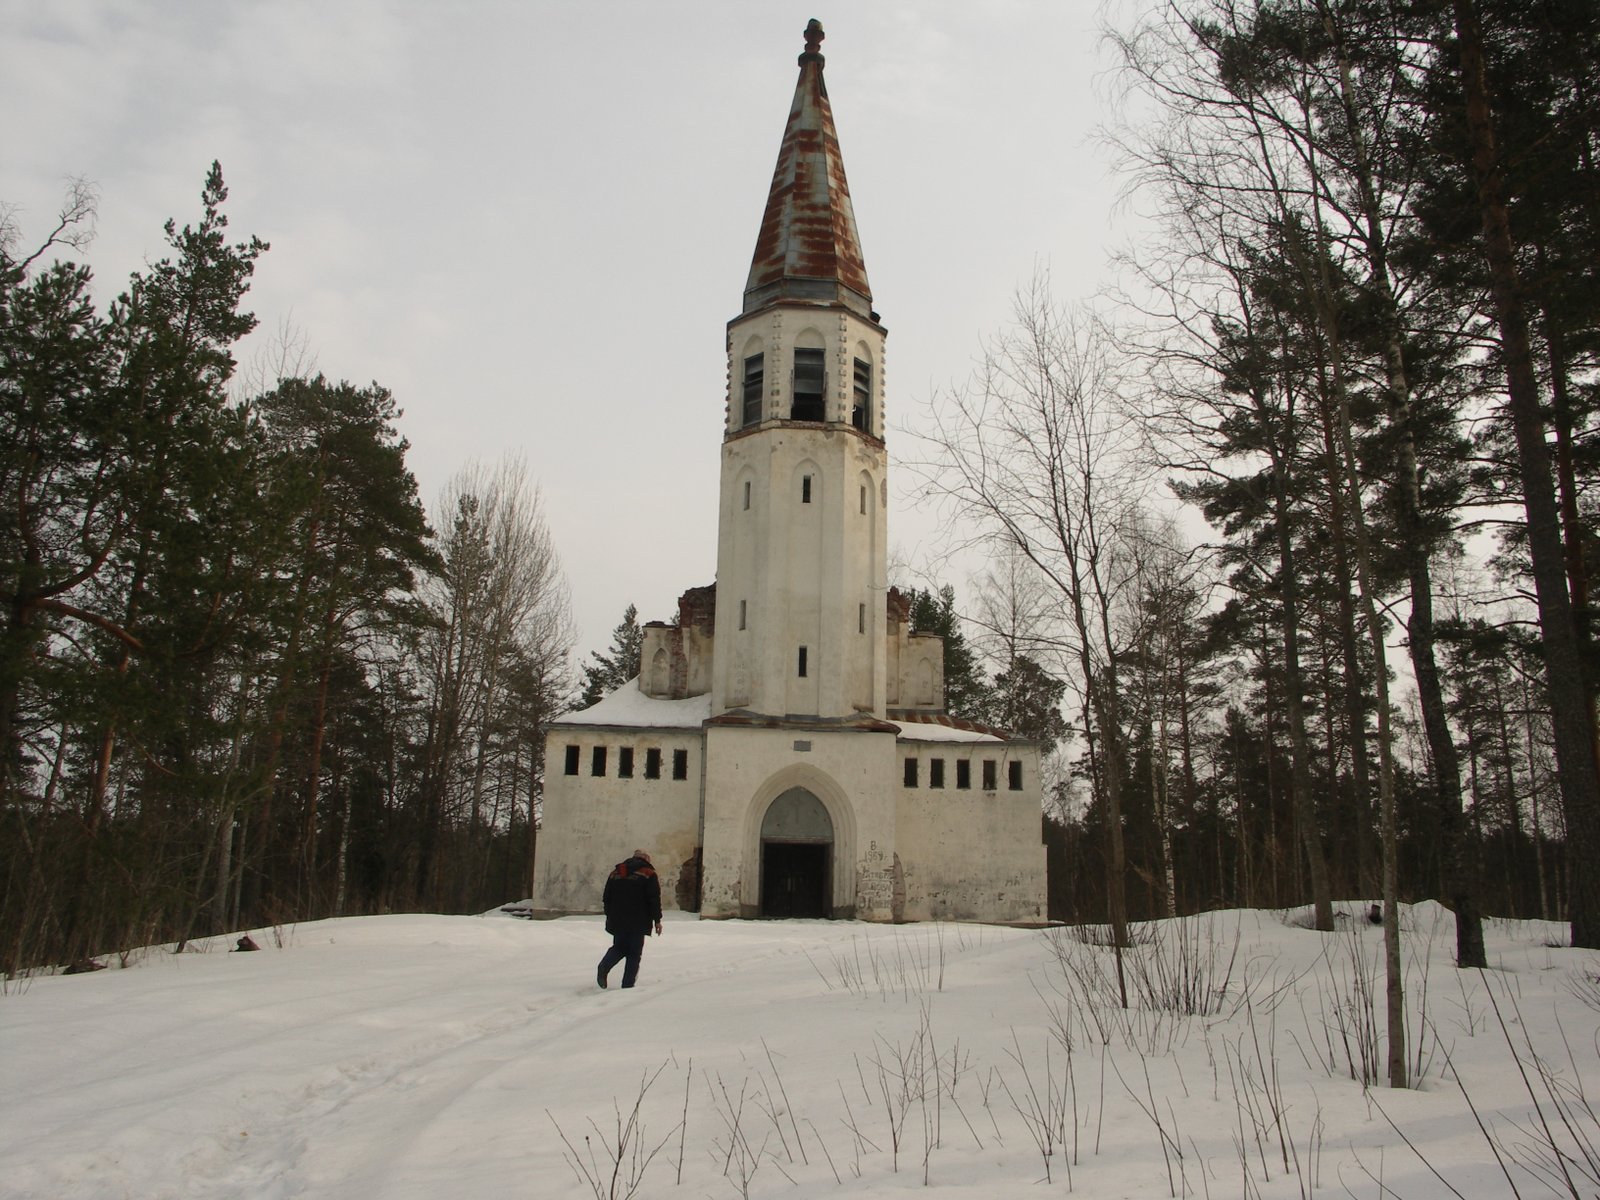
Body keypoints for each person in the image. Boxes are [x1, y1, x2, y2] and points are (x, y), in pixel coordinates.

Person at [597, 849, 662, 989]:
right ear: (646, 860)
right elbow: (654, 899)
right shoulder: (648, 873)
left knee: (620, 947)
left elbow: (606, 897)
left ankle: (604, 965)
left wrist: (610, 915)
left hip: (617, 919)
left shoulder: (616, 872)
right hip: (639, 920)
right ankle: (627, 985)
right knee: (634, 953)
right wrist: (657, 920)